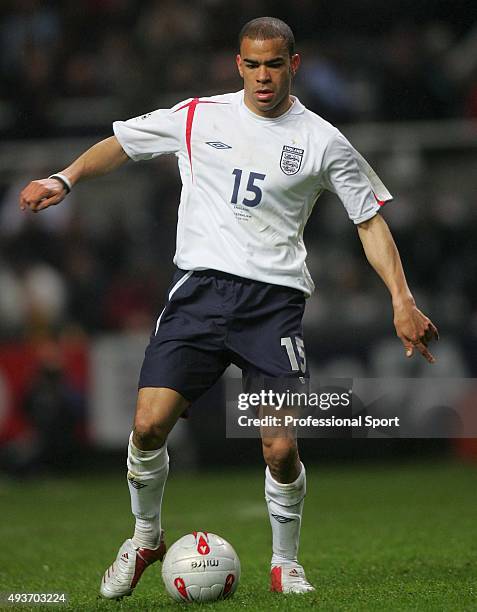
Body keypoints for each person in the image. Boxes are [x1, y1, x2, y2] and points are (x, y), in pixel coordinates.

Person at [19, 17, 439, 599]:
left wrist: (403, 300)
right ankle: (145, 537)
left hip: (273, 305)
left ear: (293, 64)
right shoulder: (198, 115)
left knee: (281, 446)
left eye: (274, 64)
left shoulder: (322, 139)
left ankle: (285, 563)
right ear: (236, 64)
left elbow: (368, 219)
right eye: (251, 64)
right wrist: (65, 177)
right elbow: (123, 142)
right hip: (198, 295)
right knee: (146, 426)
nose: (262, 76)